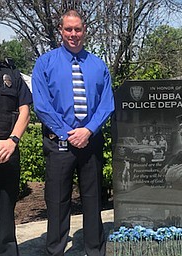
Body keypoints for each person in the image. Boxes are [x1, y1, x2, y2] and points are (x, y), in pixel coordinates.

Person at [32, 10, 114, 256]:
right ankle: (56, 250)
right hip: (59, 143)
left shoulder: (98, 65)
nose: (73, 34)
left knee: (92, 199)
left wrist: (88, 130)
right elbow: (42, 106)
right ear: (60, 30)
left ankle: (94, 248)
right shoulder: (45, 63)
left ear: (84, 30)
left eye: (77, 29)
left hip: (90, 142)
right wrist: (68, 133)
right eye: (68, 29)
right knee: (57, 202)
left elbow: (107, 103)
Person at [0, 58, 32, 255]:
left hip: (7, 151)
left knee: (5, 211)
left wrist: (12, 140)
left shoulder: (11, 73)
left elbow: (25, 110)